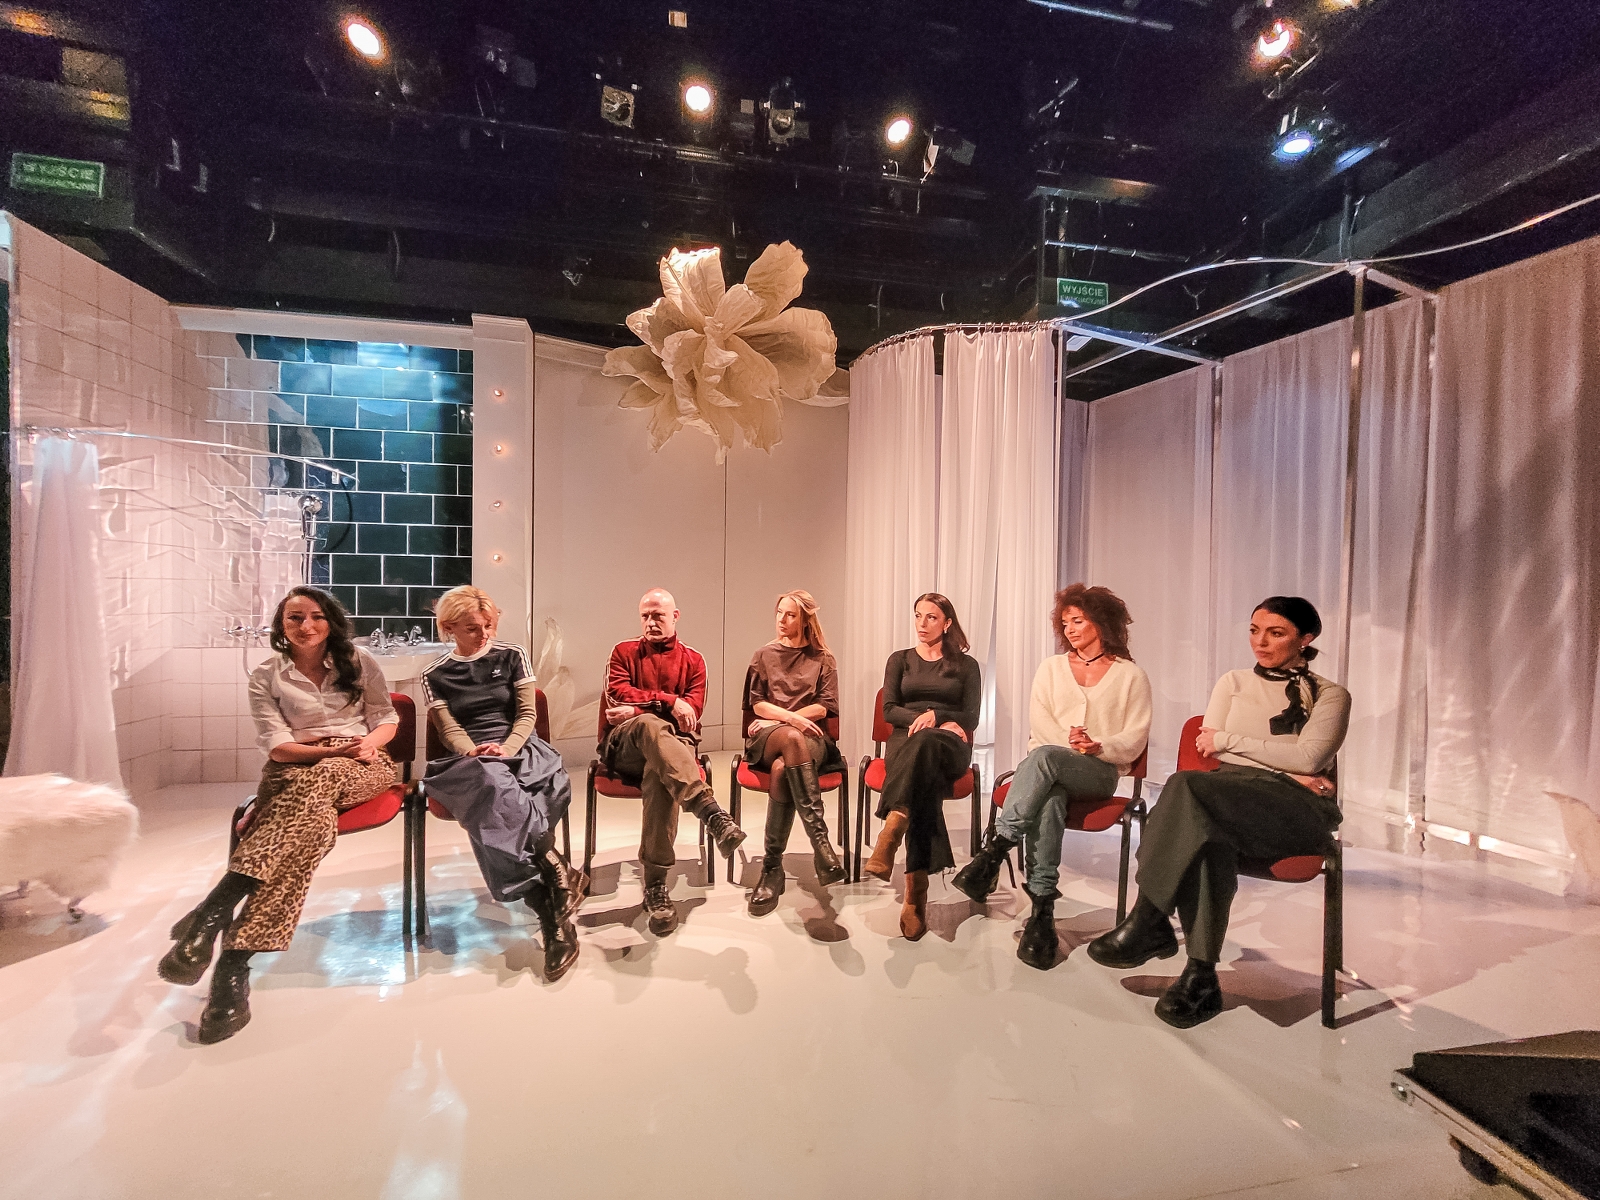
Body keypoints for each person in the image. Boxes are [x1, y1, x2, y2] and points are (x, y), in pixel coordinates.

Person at [1087, 596, 1349, 1029]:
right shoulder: (1233, 682)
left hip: (1296, 809)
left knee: (1187, 787)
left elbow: (1309, 757)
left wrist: (1241, 747)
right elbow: (1210, 747)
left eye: (1276, 633)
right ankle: (1201, 975)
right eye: (1254, 631)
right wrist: (1286, 763)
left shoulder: (1331, 695)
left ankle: (1151, 917)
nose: (1260, 642)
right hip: (1231, 796)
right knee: (1205, 832)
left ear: (1306, 638)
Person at [157, 586, 399, 1043]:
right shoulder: (266, 676)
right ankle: (233, 965)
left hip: (365, 765)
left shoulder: (359, 662)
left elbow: (386, 716)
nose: (306, 626)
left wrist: (368, 744)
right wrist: (326, 753)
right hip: (295, 768)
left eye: (316, 616)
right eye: (295, 618)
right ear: (280, 626)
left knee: (326, 776)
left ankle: (212, 913)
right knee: (311, 830)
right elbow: (278, 747)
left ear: (331, 621)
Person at [953, 585, 1152, 970]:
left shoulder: (1131, 676)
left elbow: (1135, 737)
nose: (1070, 629)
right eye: (1065, 622)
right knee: (1050, 796)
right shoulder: (1051, 668)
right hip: (1050, 769)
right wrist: (1068, 740)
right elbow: (1040, 723)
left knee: (1044, 760)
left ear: (1102, 622)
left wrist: (1098, 745)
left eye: (1078, 621)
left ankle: (995, 850)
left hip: (1098, 771)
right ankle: (1041, 912)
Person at [421, 586, 585, 983]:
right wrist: (475, 751)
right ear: (449, 627)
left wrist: (506, 748)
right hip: (470, 757)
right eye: (473, 628)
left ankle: (550, 910)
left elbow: (527, 714)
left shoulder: (512, 656)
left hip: (521, 746)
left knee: (498, 802)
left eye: (489, 625)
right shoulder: (434, 675)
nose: (484, 634)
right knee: (491, 783)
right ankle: (555, 874)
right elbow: (448, 730)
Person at [599, 588, 747, 936]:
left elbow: (692, 713)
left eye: (658, 616)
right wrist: (666, 702)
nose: (651, 622)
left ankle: (655, 886)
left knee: (659, 773)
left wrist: (638, 709)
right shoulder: (622, 652)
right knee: (649, 726)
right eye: (645, 616)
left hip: (672, 753)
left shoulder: (694, 661)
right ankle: (710, 812)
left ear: (675, 617)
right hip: (625, 748)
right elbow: (617, 695)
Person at [862, 593, 981, 940]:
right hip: (906, 741)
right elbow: (889, 710)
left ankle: (892, 828)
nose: (922, 624)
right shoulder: (899, 660)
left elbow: (971, 715)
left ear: (947, 623)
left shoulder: (966, 665)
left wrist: (938, 716)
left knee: (927, 747)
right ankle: (915, 895)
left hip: (949, 744)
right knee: (922, 783)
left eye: (931, 617)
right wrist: (924, 719)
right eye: (918, 616)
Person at [741, 590, 848, 917]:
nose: (782, 619)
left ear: (804, 621)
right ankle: (821, 845)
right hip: (769, 736)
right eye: (779, 612)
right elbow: (757, 704)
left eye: (790, 614)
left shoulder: (823, 659)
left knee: (781, 770)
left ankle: (772, 867)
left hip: (811, 739)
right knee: (789, 737)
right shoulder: (763, 655)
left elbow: (825, 706)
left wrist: (790, 720)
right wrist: (792, 720)